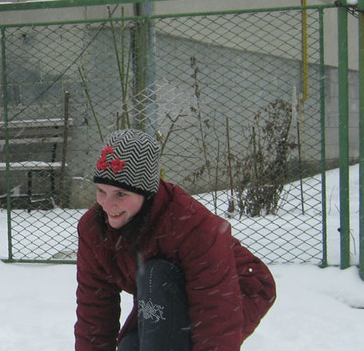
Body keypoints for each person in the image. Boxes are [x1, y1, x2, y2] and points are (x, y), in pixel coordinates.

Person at [75, 129, 276, 351]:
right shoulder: (94, 229)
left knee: (156, 272)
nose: (107, 205)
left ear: (146, 192)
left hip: (237, 287)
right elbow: (94, 310)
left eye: (120, 194)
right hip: (163, 291)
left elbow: (215, 315)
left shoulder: (190, 225)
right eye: (101, 191)